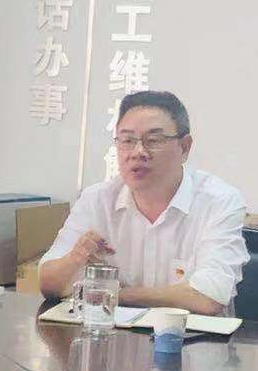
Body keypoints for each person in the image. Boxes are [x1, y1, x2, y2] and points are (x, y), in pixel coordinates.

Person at [40, 90, 247, 315]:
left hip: (194, 336)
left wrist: (114, 294)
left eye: (153, 141)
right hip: (112, 334)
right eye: (127, 141)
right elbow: (48, 284)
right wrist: (75, 258)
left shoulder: (219, 201)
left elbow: (209, 297)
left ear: (184, 147)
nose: (138, 152)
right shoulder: (96, 199)